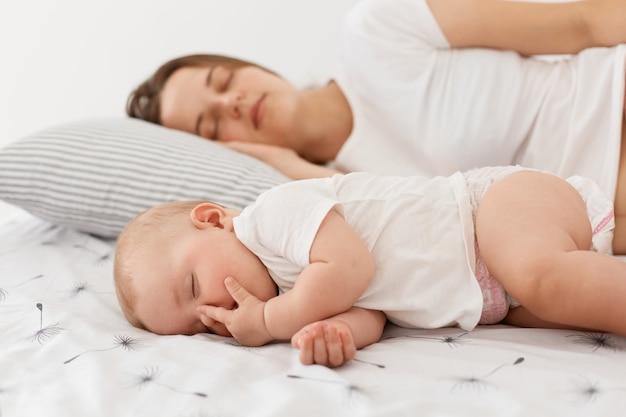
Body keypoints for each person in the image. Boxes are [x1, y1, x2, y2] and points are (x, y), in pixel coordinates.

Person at [126, 0, 626, 254]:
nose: (231, 101)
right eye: (210, 125)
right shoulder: (348, 203)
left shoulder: (377, 29)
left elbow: (583, 21)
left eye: (223, 79)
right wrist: (289, 168)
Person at [113, 165, 623, 368]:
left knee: (543, 278)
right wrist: (333, 334)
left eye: (193, 284)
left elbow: (350, 268)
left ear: (213, 220)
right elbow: (373, 312)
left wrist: (272, 322)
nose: (214, 310)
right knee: (553, 305)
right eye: (198, 323)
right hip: (496, 295)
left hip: (491, 212)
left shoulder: (270, 219)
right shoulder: (296, 292)